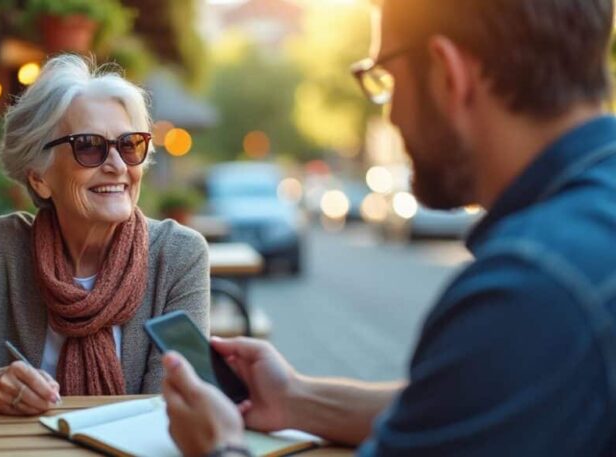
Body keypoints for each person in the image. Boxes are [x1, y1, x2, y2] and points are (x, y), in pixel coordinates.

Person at [162, 0, 616, 455]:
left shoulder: (530, 289)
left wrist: (220, 446)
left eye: (387, 79)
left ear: (447, 73)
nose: (391, 115)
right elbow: (476, 404)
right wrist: (297, 399)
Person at [0, 55, 210, 416]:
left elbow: (181, 404)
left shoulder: (179, 254)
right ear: (39, 177)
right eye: (88, 145)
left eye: (129, 144)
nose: (117, 165)